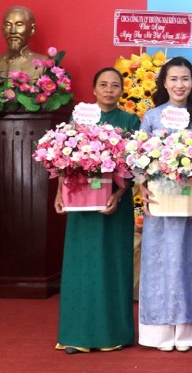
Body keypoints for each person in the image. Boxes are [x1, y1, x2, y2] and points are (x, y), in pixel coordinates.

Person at [53, 68, 141, 354]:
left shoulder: (130, 120)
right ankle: (75, 335)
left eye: (115, 85)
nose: (109, 89)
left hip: (115, 205)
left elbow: (134, 164)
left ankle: (115, 333)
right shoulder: (79, 117)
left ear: (121, 90)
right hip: (80, 203)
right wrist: (59, 194)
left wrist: (118, 193)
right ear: (93, 89)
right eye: (103, 84)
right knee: (80, 267)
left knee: (114, 266)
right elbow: (64, 160)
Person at [137, 56, 192, 352]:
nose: (179, 85)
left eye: (185, 79)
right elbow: (140, 157)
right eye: (173, 79)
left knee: (189, 262)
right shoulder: (152, 117)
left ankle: (189, 332)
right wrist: (143, 187)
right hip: (160, 203)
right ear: (164, 83)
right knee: (159, 262)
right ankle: (157, 332)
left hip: (191, 203)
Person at [0, 5, 49, 77]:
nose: (13, 31)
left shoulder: (45, 64)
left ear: (32, 30)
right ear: (3, 30)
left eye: (19, 25)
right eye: (8, 25)